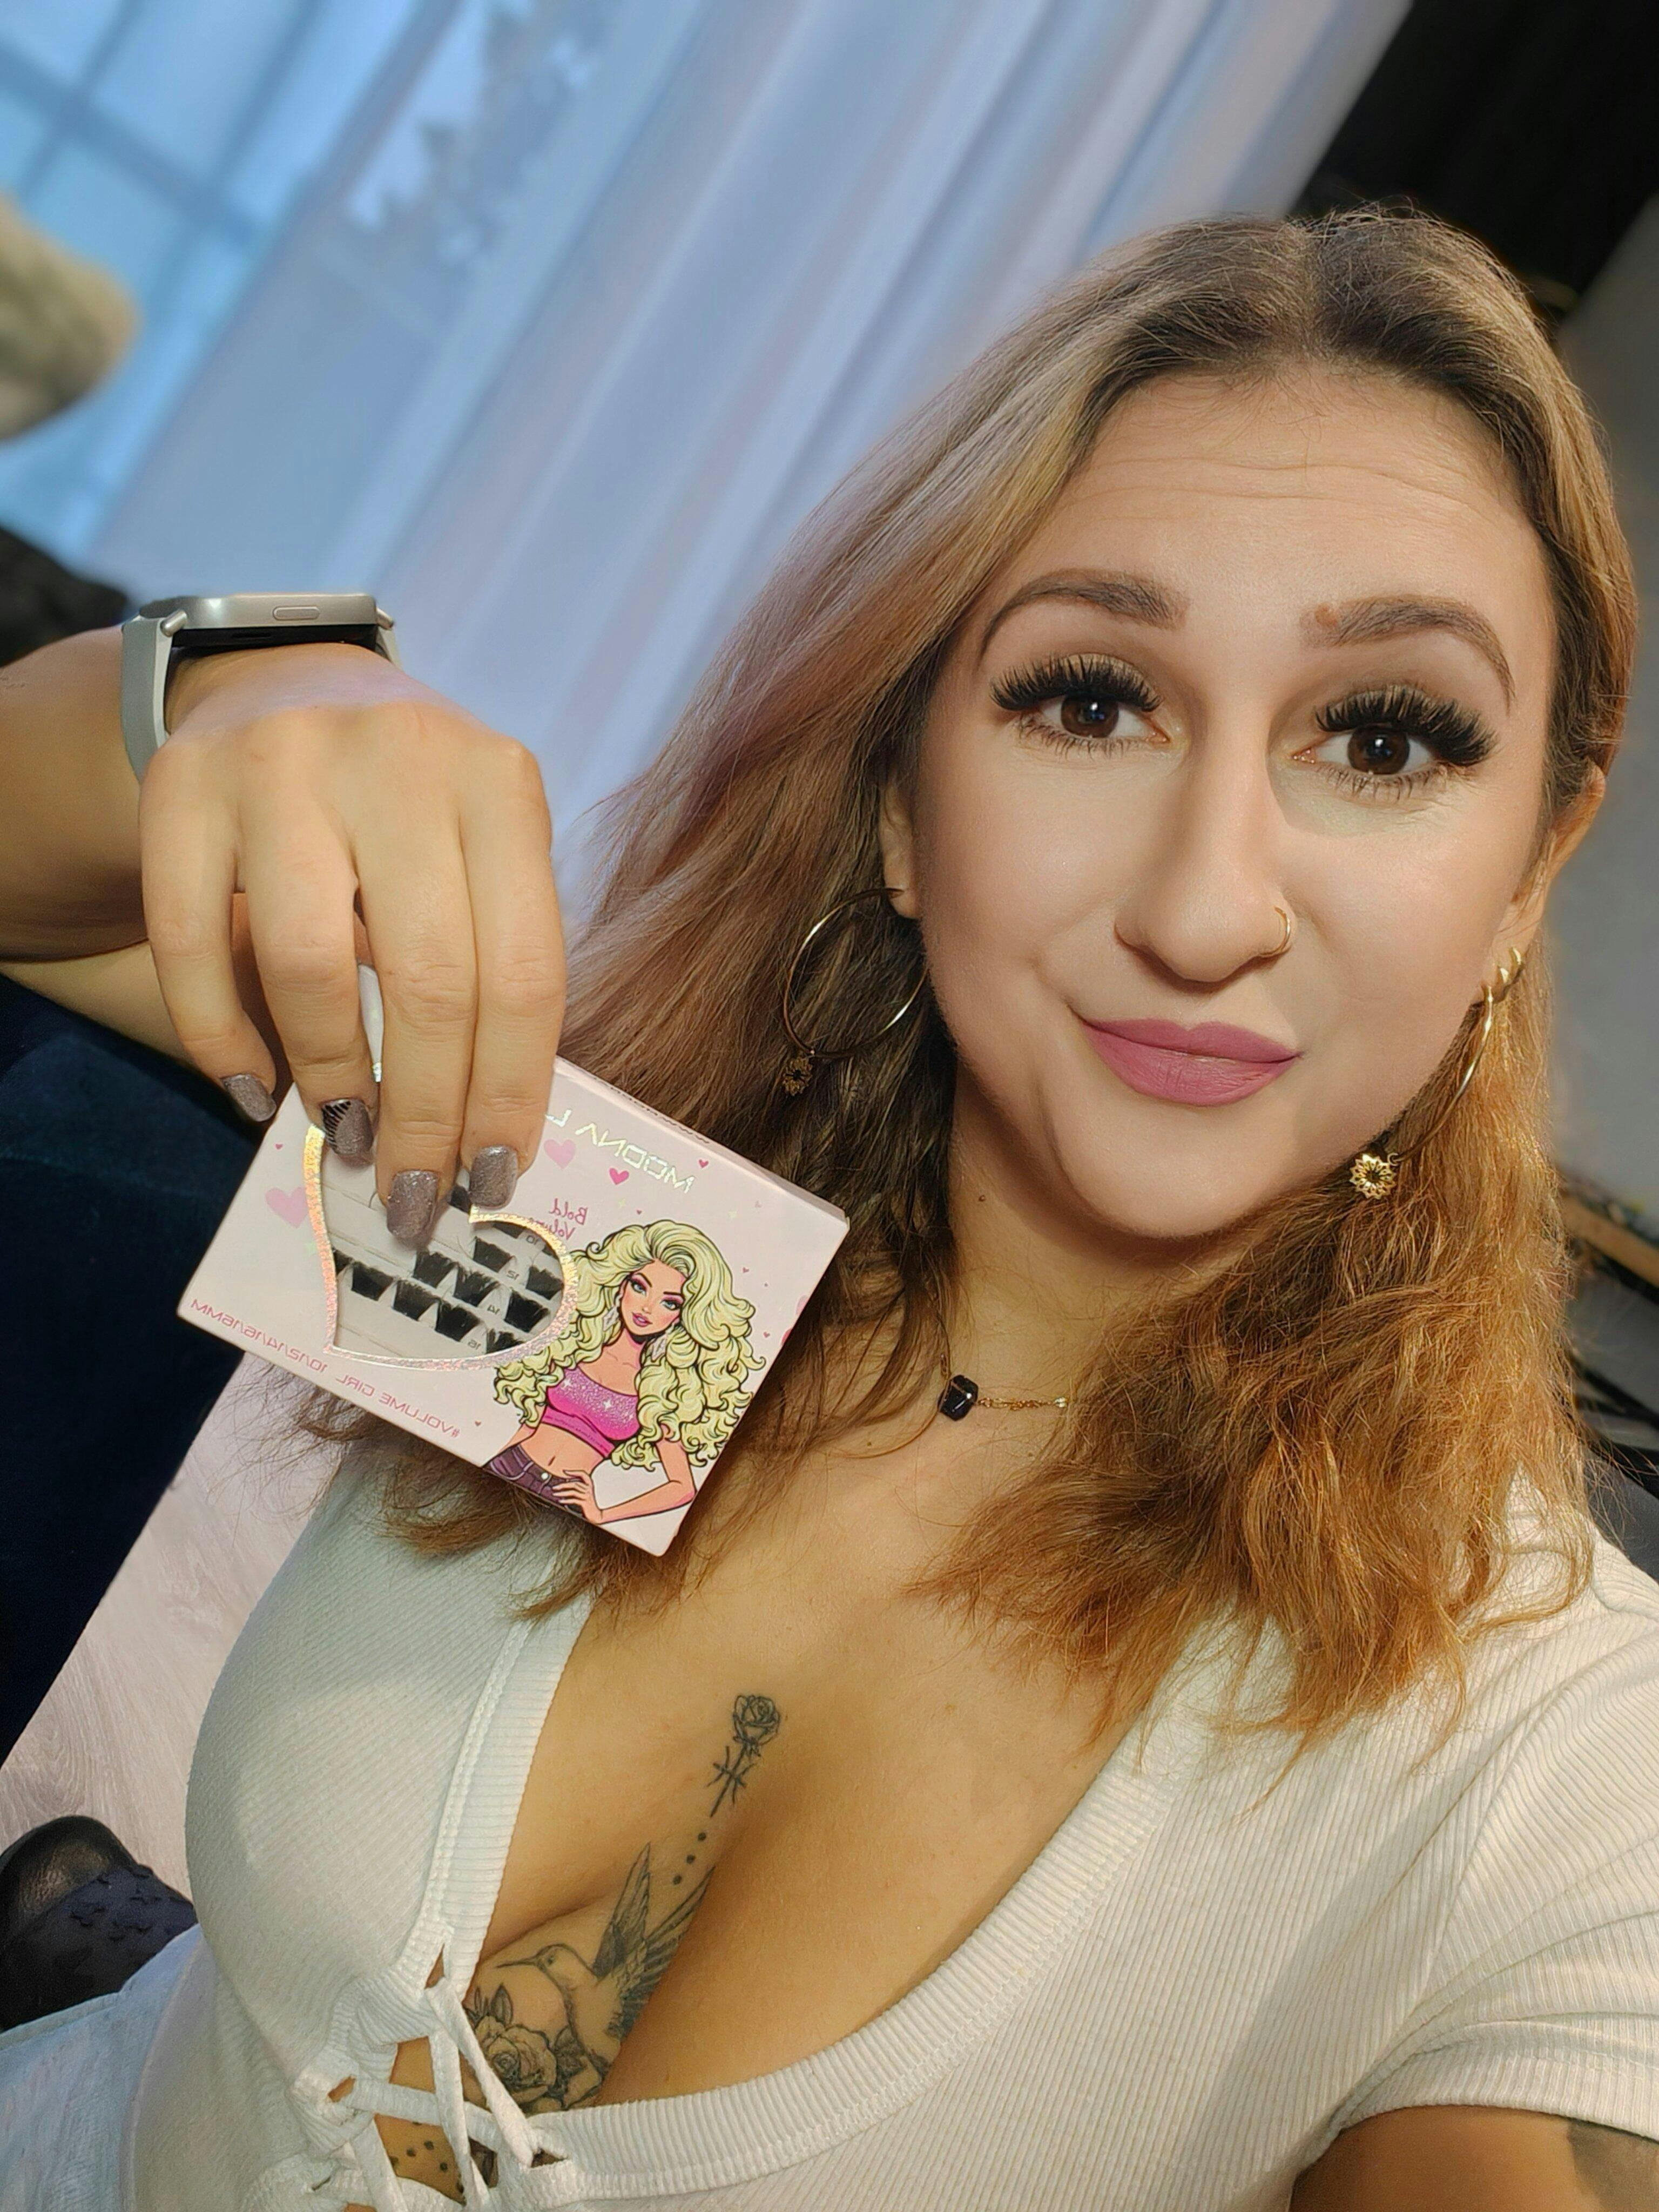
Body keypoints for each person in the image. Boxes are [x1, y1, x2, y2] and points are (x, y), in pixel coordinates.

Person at [0, 206, 1655, 2211]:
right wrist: (244, 681)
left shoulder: (1552, 1761)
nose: (1207, 904)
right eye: (1090, 700)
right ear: (900, 802)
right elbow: (39, 913)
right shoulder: (635, 1262)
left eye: (1383, 736)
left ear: (1529, 865)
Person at [487, 1222, 760, 1525]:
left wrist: (603, 1514)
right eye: (640, 1287)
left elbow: (683, 1488)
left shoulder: (662, 1390)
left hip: (565, 1498)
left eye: (669, 1303)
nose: (647, 1308)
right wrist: (486, 1461)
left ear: (683, 1317)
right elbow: (529, 1423)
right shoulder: (574, 1345)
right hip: (509, 1465)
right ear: (621, 1285)